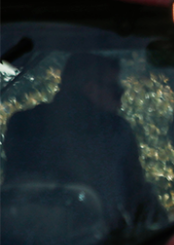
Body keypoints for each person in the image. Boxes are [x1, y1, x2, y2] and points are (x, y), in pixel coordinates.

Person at [5, 52, 159, 228]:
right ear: (90, 88)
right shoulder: (114, 131)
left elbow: (15, 191)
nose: (120, 102)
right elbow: (137, 197)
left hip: (29, 242)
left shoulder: (23, 123)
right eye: (116, 91)